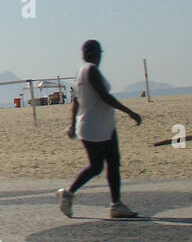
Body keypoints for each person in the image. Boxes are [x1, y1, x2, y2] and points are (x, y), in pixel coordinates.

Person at [57, 39, 142, 219]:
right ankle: (109, 202)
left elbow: (76, 101)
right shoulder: (92, 70)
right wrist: (130, 112)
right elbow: (105, 96)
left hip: (97, 125)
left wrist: (73, 124)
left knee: (104, 164)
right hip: (97, 126)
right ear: (96, 54)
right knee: (103, 164)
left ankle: (113, 203)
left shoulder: (80, 72)